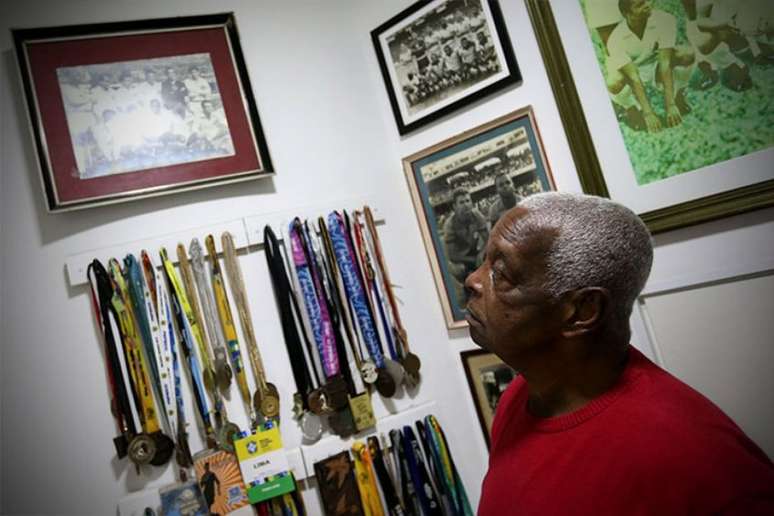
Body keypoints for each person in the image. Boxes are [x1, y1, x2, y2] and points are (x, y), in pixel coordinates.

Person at [467, 192, 774, 515]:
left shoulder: (699, 458)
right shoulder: (522, 395)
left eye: (501, 273)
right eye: (484, 261)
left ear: (582, 311)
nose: (473, 280)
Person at [605, 0, 695, 132]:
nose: (647, 5)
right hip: (633, 70)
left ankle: (679, 95)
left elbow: (665, 63)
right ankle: (631, 108)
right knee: (613, 82)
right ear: (626, 13)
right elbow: (633, 77)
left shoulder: (665, 19)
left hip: (655, 63)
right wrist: (648, 113)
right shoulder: (616, 38)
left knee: (687, 54)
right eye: (640, 5)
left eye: (646, 1)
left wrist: (671, 104)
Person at [443, 188, 488, 303]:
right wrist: (474, 261)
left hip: (473, 252)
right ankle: (467, 288)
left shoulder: (477, 215)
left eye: (468, 201)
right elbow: (453, 256)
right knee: (460, 269)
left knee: (488, 256)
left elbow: (488, 240)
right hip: (458, 260)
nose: (466, 205)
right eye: (461, 202)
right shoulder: (449, 224)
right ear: (454, 206)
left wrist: (481, 254)